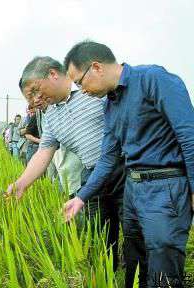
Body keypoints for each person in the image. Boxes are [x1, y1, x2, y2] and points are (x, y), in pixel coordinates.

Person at [63, 41, 194, 287]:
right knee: (135, 259)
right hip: (133, 190)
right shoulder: (111, 104)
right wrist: (81, 197)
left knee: (163, 264)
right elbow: (108, 158)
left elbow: (189, 136)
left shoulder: (153, 79)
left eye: (80, 82)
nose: (81, 90)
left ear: (96, 67)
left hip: (165, 188)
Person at [4, 56, 125, 272]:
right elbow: (44, 152)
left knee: (136, 232)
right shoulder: (50, 116)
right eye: (29, 98)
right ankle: (110, 275)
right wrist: (22, 183)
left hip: (123, 171)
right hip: (92, 177)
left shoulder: (90, 89)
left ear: (52, 74)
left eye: (34, 91)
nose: (34, 100)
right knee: (100, 234)